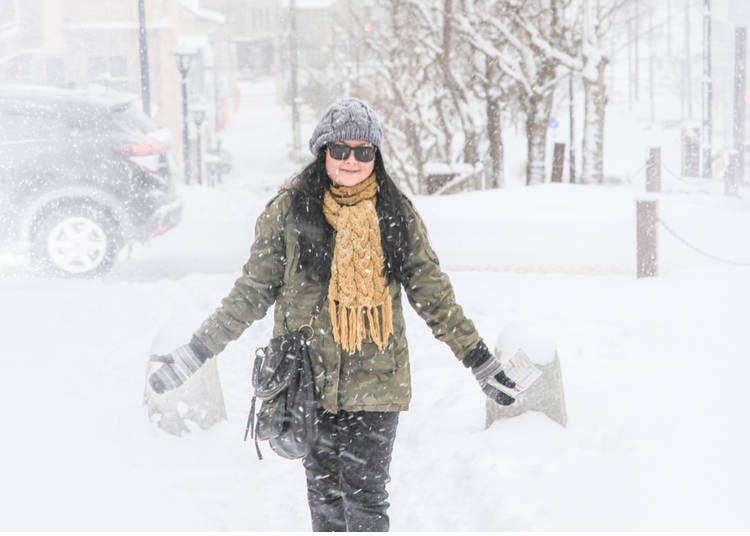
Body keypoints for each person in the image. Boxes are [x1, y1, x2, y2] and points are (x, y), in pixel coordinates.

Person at [148, 97, 516, 532]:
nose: (351, 161)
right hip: (308, 379)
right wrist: (196, 351)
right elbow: (251, 291)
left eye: (364, 151)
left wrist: (478, 359)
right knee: (324, 503)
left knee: (365, 503)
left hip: (376, 382)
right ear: (322, 152)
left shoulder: (394, 215)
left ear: (376, 156)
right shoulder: (288, 211)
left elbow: (434, 297)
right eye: (340, 150)